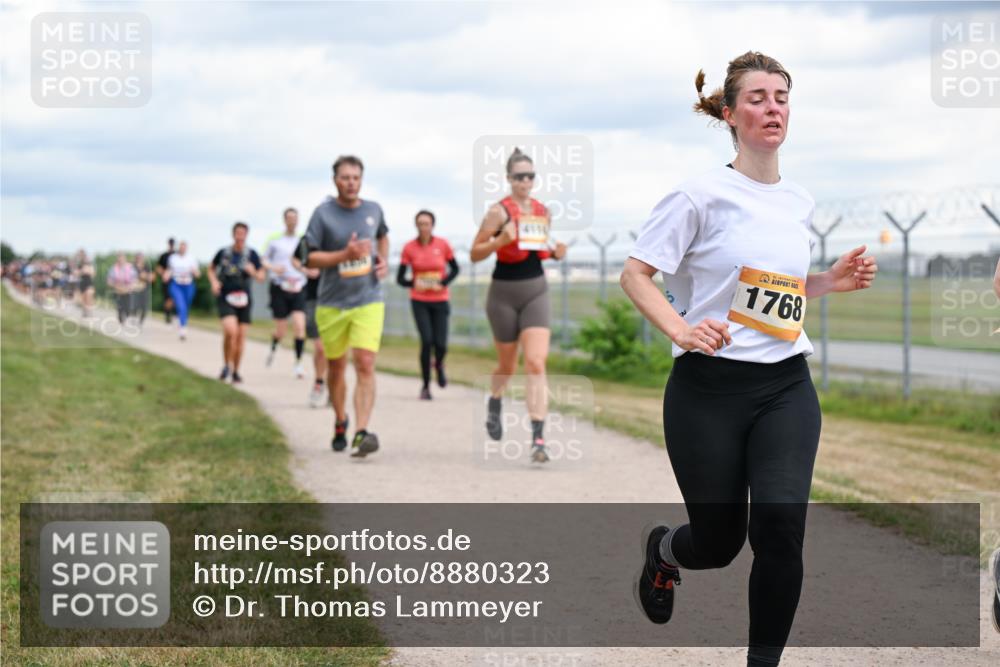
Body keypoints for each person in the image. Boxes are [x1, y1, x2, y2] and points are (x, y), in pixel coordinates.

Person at [619, 52, 878, 667]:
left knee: (781, 530)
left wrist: (827, 283)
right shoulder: (697, 194)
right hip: (707, 392)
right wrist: (682, 330)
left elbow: (767, 291)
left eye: (782, 96)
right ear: (731, 114)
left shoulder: (798, 200)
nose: (773, 107)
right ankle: (664, 554)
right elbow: (635, 275)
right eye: (758, 97)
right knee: (718, 544)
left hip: (785, 387)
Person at [470, 148, 567, 463]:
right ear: (509, 179)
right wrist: (498, 241)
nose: (525, 181)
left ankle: (538, 438)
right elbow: (474, 253)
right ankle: (495, 399)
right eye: (519, 176)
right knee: (507, 366)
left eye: (530, 175)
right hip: (503, 294)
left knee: (536, 363)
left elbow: (536, 250)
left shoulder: (542, 211)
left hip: (535, 290)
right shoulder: (498, 212)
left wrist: (555, 253)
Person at [304, 155, 389, 458]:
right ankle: (341, 420)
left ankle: (361, 432)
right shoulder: (322, 215)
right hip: (332, 303)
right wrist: (345, 254)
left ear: (361, 180)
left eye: (356, 177)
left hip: (368, 299)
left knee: (365, 362)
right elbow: (309, 258)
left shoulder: (373, 210)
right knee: (336, 367)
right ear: (335, 180)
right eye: (345, 177)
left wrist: (382, 261)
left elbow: (383, 236)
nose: (351, 182)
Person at [397, 210, 459, 400]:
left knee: (441, 344)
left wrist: (443, 282)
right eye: (420, 223)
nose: (424, 226)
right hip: (419, 300)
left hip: (440, 300)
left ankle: (439, 364)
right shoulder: (409, 247)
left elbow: (455, 269)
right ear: (416, 225)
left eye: (427, 223)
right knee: (426, 341)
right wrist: (412, 283)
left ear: (433, 225)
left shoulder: (443, 244)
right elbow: (400, 278)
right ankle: (425, 386)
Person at [208, 222, 265, 383]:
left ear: (246, 235)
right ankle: (226, 364)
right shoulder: (223, 252)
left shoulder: (252, 254)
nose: (240, 236)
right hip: (226, 296)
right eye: (237, 233)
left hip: (245, 299)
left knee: (240, 337)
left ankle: (236, 371)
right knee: (230, 331)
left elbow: (261, 277)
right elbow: (211, 269)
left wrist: (253, 272)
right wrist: (214, 282)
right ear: (233, 234)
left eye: (243, 233)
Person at [263, 207, 309, 377]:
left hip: (298, 286)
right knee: (281, 330)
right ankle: (274, 345)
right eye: (289, 218)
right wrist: (273, 267)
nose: (292, 221)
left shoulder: (303, 240)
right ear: (284, 220)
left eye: (295, 218)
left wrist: (307, 271)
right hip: (280, 286)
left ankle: (298, 363)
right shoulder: (275, 240)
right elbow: (264, 260)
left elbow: (309, 259)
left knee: (299, 326)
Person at [293, 240, 328, 408]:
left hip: (338, 298)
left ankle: (333, 384)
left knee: (335, 349)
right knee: (320, 347)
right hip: (314, 298)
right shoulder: (312, 237)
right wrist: (305, 269)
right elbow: (294, 258)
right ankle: (319, 382)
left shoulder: (345, 233)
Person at [163, 241, 200, 340]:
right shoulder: (173, 258)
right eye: (181, 247)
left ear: (186, 248)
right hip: (176, 285)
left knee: (186, 305)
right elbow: (169, 269)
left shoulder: (191, 258)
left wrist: (196, 273)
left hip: (188, 285)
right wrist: (166, 275)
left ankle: (179, 317)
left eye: (184, 247)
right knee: (181, 304)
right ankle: (183, 329)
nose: (182, 249)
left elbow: (197, 272)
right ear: (179, 248)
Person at [106, 253, 137, 324]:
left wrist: (130, 286)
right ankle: (121, 318)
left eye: (122, 258)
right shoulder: (113, 268)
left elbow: (134, 279)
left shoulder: (130, 267)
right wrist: (115, 285)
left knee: (128, 307)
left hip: (128, 290)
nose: (120, 260)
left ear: (125, 259)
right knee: (119, 307)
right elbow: (109, 281)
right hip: (118, 290)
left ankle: (127, 315)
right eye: (119, 258)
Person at [156, 238, 176, 324]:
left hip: (175, 280)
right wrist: (164, 274)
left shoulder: (177, 255)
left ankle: (172, 313)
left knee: (173, 298)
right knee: (167, 299)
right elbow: (158, 267)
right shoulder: (164, 255)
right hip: (166, 280)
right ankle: (168, 315)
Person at [130, 252, 153, 326]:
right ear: (136, 258)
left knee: (144, 307)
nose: (140, 259)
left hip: (145, 289)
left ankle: (141, 321)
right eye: (138, 258)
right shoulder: (132, 266)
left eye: (141, 258)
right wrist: (143, 276)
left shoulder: (147, 267)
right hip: (135, 289)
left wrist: (145, 276)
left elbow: (150, 277)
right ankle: (133, 317)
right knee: (135, 305)